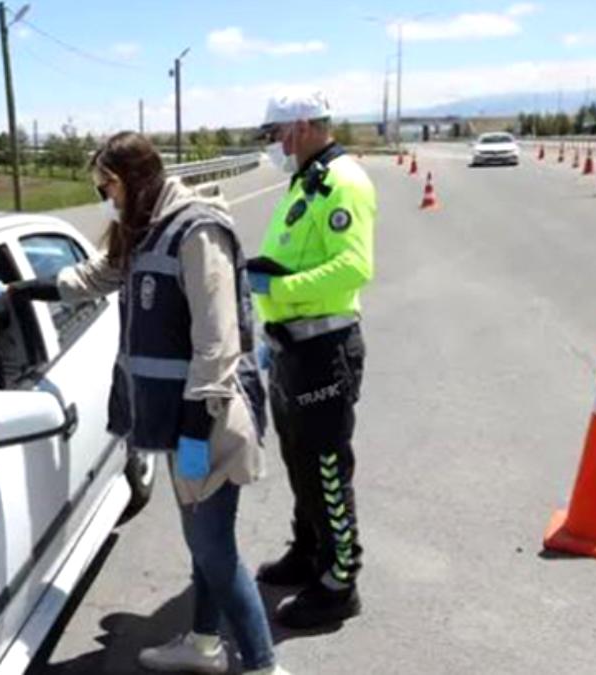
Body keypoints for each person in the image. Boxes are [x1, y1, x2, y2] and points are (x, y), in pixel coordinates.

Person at [0, 131, 285, 675]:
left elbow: (218, 342)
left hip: (207, 419)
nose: (105, 199)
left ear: (131, 179)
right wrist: (17, 292)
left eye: (106, 187)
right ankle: (205, 645)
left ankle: (262, 666)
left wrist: (191, 427)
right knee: (201, 541)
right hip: (179, 420)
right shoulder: (145, 231)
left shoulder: (195, 231)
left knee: (214, 550)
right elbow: (93, 277)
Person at [248, 89, 374, 629]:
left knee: (326, 467)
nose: (275, 144)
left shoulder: (343, 180)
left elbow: (354, 267)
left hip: (324, 348)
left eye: (277, 134)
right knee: (298, 459)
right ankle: (309, 550)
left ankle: (340, 582)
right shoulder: (307, 178)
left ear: (301, 126)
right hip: (291, 347)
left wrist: (281, 290)